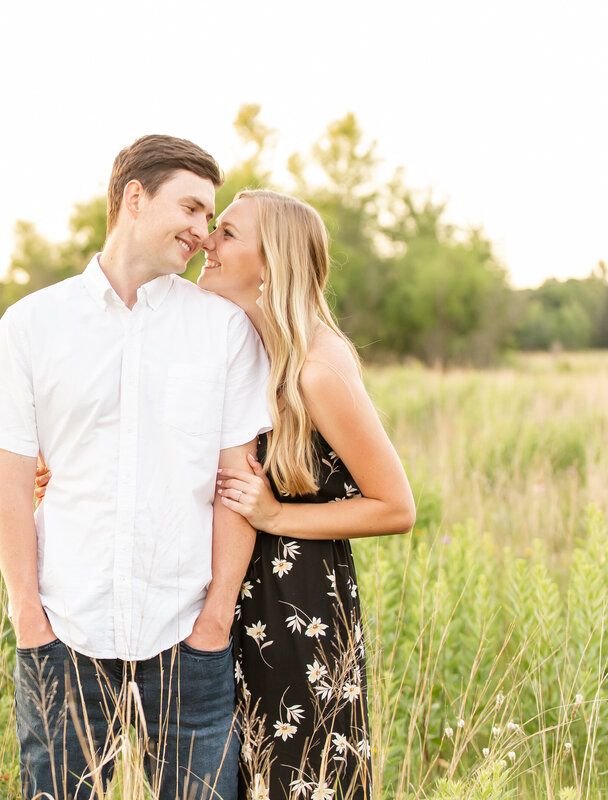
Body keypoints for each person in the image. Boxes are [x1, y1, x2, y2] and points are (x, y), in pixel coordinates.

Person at [38, 189, 415, 800]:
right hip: (229, 600)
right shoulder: (249, 346)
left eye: (228, 233)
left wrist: (273, 514)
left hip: (296, 614)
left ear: (272, 263)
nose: (206, 241)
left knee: (297, 780)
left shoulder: (316, 368)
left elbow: (397, 507)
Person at [0, 135, 272, 800]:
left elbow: (236, 490)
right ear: (134, 197)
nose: (200, 232)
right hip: (64, 636)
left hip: (189, 643)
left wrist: (214, 624)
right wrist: (28, 621)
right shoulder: (31, 326)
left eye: (209, 216)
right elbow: (10, 485)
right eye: (189, 208)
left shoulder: (222, 331)